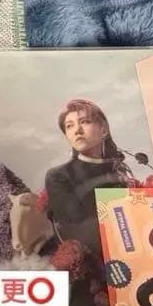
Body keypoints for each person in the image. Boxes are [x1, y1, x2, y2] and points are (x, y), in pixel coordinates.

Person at [44, 99, 136, 257]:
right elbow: (79, 232)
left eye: (84, 122)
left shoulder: (121, 172)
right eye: (69, 126)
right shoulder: (58, 176)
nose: (77, 130)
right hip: (98, 259)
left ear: (103, 130)